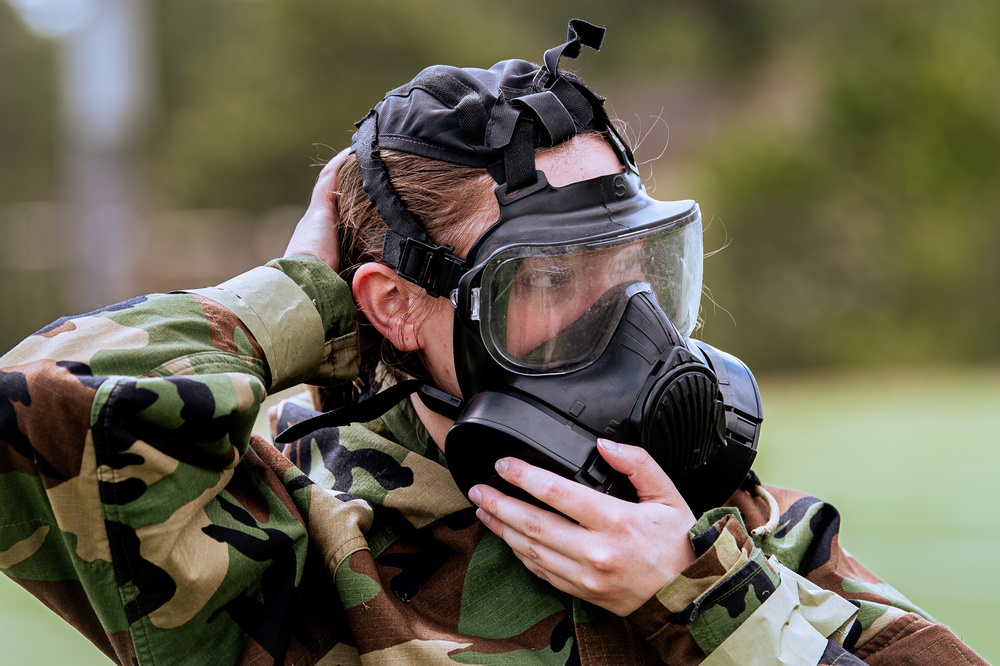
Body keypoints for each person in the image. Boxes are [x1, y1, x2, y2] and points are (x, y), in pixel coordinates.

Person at [0, 19, 986, 666]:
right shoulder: (297, 543)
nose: (623, 316)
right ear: (393, 306)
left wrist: (707, 601)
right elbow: (40, 395)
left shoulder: (728, 523)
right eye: (554, 276)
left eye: (631, 262)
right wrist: (300, 300)